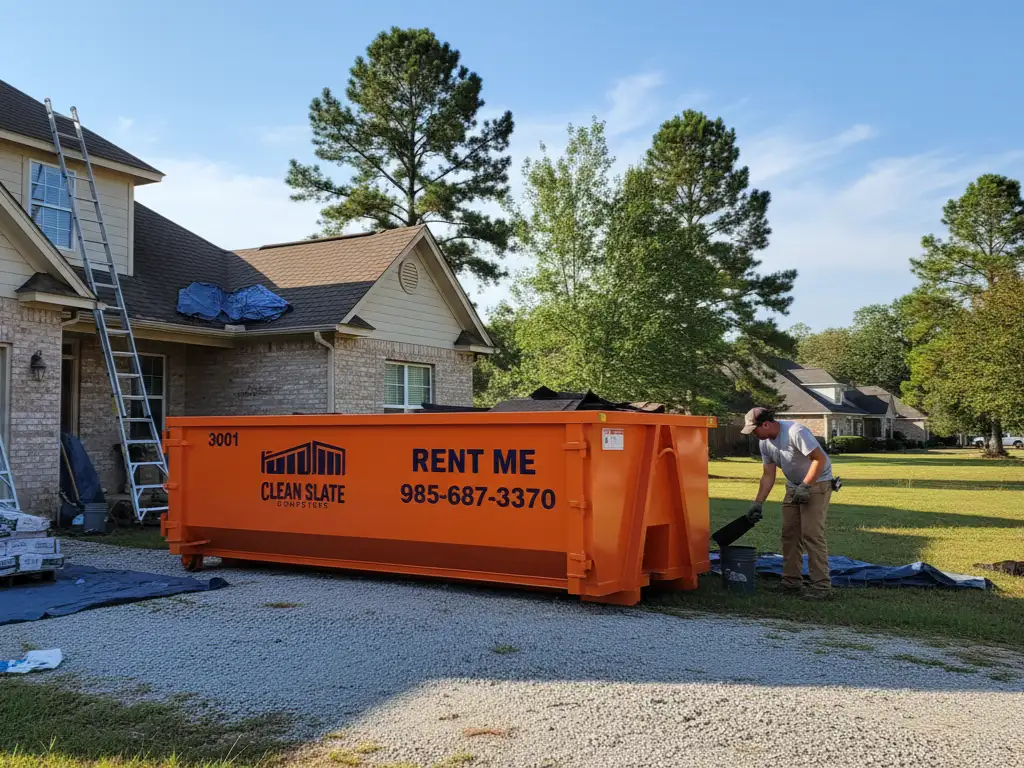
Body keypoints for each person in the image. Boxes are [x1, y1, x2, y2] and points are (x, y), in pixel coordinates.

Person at [740, 407, 834, 599]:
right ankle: (791, 583)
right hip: (793, 486)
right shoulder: (765, 443)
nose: (753, 434)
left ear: (766, 424)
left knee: (811, 534)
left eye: (754, 430)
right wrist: (758, 503)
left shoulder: (795, 432)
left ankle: (821, 587)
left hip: (818, 482)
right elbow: (768, 475)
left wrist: (806, 485)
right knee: (789, 534)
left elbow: (819, 459)